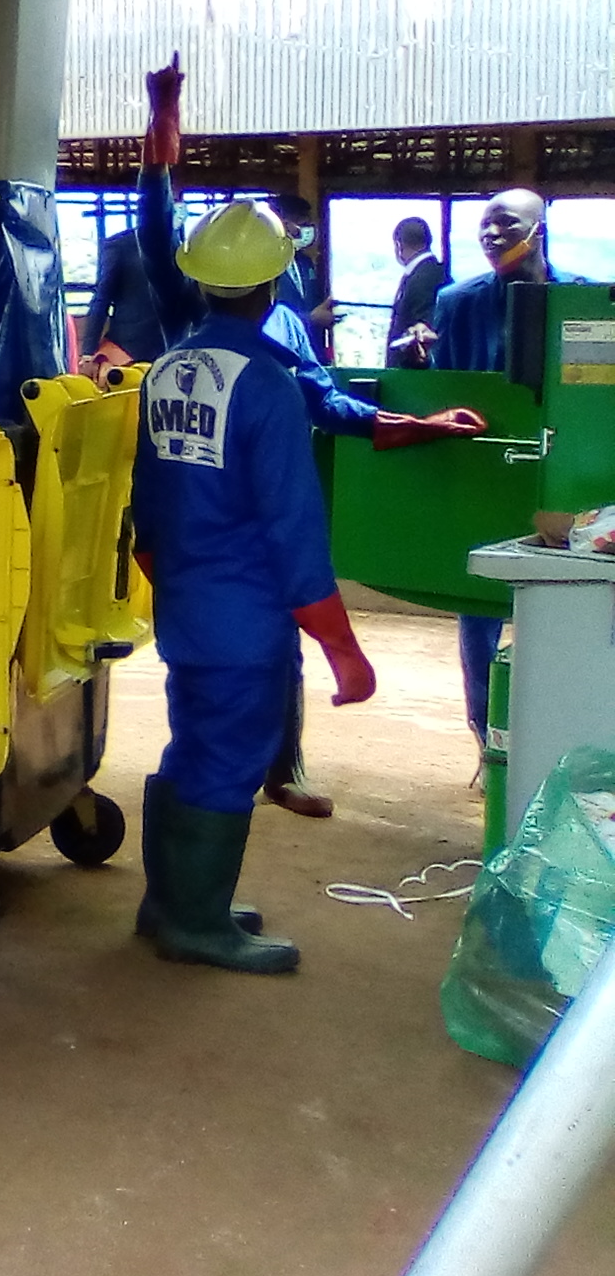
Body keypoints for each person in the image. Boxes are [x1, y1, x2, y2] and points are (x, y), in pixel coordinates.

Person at [131, 56, 484, 819]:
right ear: (278, 266)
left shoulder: (271, 335)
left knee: (250, 671)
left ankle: (280, 766)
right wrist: (164, 117)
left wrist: (418, 425)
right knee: (223, 703)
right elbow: (155, 222)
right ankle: (209, 840)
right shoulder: (197, 324)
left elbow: (331, 403)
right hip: (225, 552)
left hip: (212, 559)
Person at [133, 199, 376, 973]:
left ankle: (169, 900)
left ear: (199, 280)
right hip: (244, 619)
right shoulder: (268, 383)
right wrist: (344, 652)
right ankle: (197, 924)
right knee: (230, 760)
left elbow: (148, 508)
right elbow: (294, 535)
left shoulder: (167, 370)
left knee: (191, 748)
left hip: (187, 608)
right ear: (275, 282)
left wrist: (178, 583)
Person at [408, 189, 586, 763]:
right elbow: (448, 391)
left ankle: (559, 740)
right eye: (484, 225)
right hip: (487, 471)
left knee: (562, 605)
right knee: (479, 609)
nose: (492, 235)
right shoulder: (458, 302)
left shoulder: (584, 299)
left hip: (563, 479)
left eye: (505, 223)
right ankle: (491, 743)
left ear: (538, 230)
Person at [82, 226, 165, 374]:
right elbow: (102, 298)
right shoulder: (120, 245)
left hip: (170, 347)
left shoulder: (180, 245)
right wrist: (88, 351)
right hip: (127, 349)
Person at [269, 192, 334, 359]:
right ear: (283, 224)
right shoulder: (264, 266)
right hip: (279, 355)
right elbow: (265, 319)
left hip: (311, 354)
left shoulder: (304, 262)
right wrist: (309, 319)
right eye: (303, 224)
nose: (309, 230)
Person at [385, 217, 444, 367]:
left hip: (414, 371)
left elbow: (422, 328)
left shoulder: (422, 277)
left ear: (399, 245)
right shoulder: (434, 271)